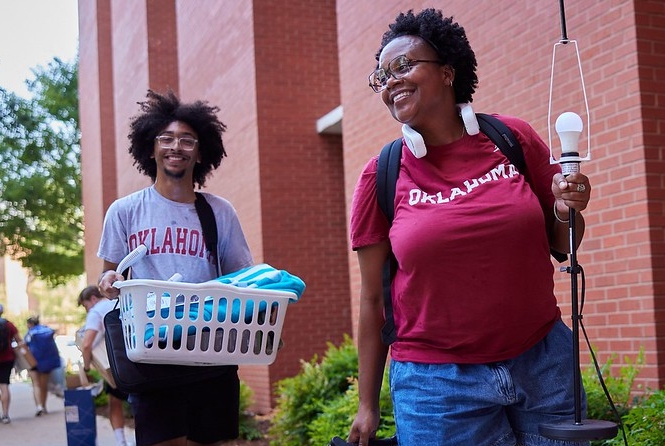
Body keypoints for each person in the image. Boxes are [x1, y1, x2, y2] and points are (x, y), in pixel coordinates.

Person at [348, 8, 592, 446]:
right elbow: (371, 299)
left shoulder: (511, 138)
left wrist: (566, 208)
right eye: (381, 76)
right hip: (436, 387)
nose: (390, 81)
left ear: (447, 72)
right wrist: (367, 405)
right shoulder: (380, 174)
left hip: (543, 363)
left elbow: (562, 242)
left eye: (403, 65)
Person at [97, 89, 253, 446]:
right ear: (150, 148)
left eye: (187, 140)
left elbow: (242, 279)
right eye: (166, 139)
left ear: (200, 152)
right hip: (152, 352)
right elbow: (109, 276)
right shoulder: (125, 211)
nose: (176, 147)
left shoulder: (219, 211)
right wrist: (109, 281)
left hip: (212, 351)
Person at [78, 285, 131, 446]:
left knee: (115, 403)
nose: (88, 310)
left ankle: (121, 441)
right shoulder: (120, 300)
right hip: (135, 356)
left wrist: (86, 367)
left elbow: (87, 345)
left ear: (93, 299)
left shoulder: (96, 311)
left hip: (116, 363)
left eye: (86, 306)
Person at [24, 316, 61, 416]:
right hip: (47, 362)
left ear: (30, 324)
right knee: (44, 385)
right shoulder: (47, 330)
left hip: (33, 361)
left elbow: (24, 346)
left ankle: (39, 406)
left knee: (36, 384)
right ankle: (44, 406)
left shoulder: (30, 333)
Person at [0, 303, 23, 424]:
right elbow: (20, 341)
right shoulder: (9, 325)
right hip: (7, 358)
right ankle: (5, 415)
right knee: (4, 387)